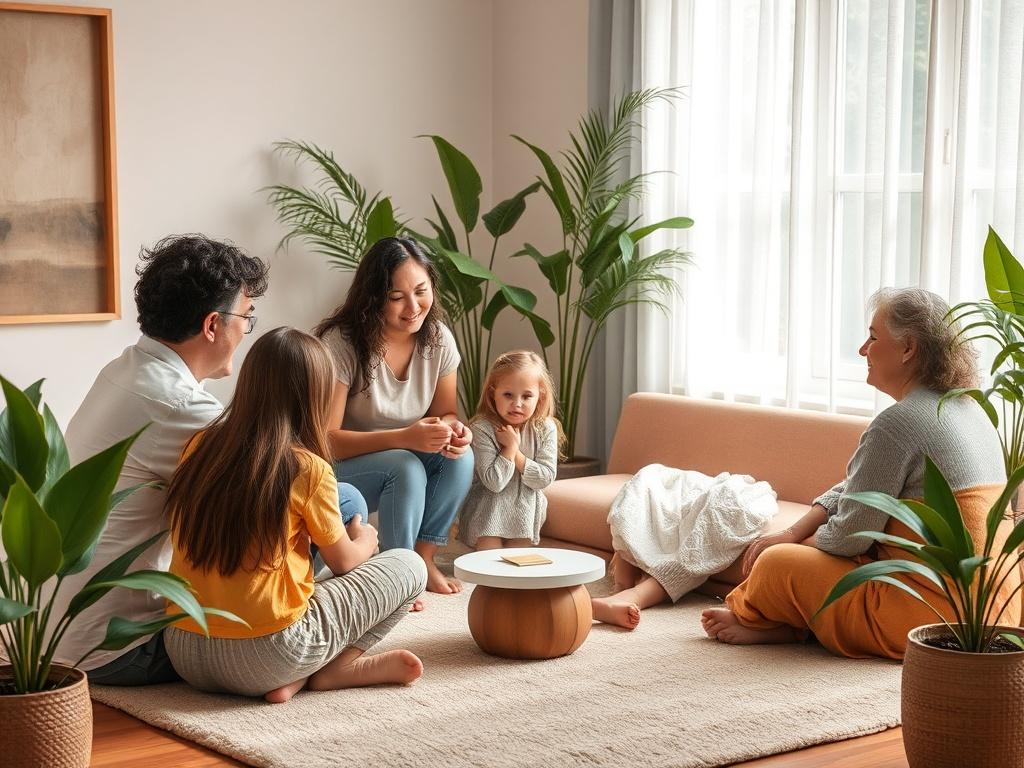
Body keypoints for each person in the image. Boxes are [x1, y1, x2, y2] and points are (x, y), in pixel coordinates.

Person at [699, 287, 1022, 659]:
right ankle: (793, 625)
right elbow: (857, 488)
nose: (862, 350)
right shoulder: (970, 408)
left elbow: (848, 538)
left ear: (908, 348)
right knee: (806, 551)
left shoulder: (898, 423)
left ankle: (761, 619)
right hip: (995, 616)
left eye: (872, 336)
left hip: (926, 619)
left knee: (776, 563)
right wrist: (793, 530)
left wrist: (791, 544)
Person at [49, 234, 278, 685]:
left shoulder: (123, 369)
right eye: (246, 319)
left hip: (51, 636)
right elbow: (276, 506)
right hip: (117, 650)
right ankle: (300, 663)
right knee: (338, 514)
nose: (244, 333)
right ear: (214, 325)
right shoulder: (181, 406)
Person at [163, 327, 426, 703]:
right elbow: (345, 564)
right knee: (409, 565)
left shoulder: (199, 445)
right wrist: (367, 536)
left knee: (300, 572)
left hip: (185, 651)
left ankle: (301, 674)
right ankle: (331, 669)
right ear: (314, 397)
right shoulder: (307, 468)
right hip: (265, 658)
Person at [316, 237, 474, 596]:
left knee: (461, 458)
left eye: (421, 291)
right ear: (373, 299)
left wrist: (453, 431)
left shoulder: (438, 339)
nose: (413, 307)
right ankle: (397, 577)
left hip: (403, 453)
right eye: (396, 297)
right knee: (404, 464)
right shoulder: (341, 344)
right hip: (336, 468)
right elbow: (324, 439)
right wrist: (405, 437)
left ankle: (423, 558)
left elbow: (445, 413)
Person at [457, 350, 561, 550]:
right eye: (508, 395)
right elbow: (494, 482)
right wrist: (508, 449)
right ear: (492, 393)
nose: (517, 404)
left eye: (527, 396)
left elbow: (545, 478)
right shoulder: (481, 429)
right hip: (488, 512)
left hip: (525, 512)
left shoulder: (545, 428)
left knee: (517, 570)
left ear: (540, 397)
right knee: (488, 562)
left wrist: (516, 453)